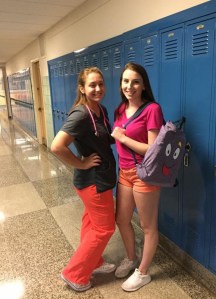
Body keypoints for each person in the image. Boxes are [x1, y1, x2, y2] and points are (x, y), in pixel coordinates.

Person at [51, 67, 117, 292]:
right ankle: (75, 274)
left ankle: (94, 261)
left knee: (91, 222)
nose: (98, 89)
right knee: (104, 228)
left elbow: (103, 137)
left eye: (101, 84)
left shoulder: (100, 109)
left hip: (99, 179)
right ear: (82, 88)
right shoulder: (80, 114)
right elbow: (56, 146)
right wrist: (81, 163)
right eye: (92, 85)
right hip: (93, 181)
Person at [111, 62, 164, 292]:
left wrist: (123, 139)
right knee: (122, 219)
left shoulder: (152, 109)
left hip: (144, 174)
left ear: (143, 85)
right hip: (124, 173)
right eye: (125, 81)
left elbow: (153, 149)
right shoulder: (120, 110)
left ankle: (142, 273)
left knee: (148, 226)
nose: (129, 86)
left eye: (135, 81)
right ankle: (131, 258)